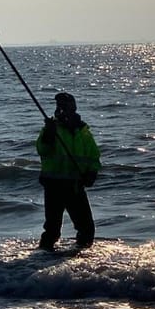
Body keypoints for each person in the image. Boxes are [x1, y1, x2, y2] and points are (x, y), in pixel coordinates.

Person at [36, 92, 101, 250]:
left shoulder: (83, 131)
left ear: (73, 109)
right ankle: (41, 261)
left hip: (75, 186)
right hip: (54, 187)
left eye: (65, 107)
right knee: (52, 230)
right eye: (60, 107)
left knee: (86, 229)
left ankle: (80, 259)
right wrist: (49, 134)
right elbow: (42, 149)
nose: (62, 111)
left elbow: (93, 156)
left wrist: (92, 173)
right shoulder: (52, 129)